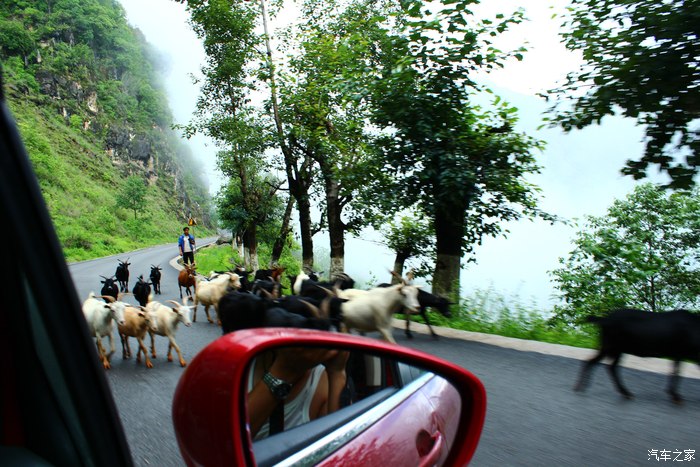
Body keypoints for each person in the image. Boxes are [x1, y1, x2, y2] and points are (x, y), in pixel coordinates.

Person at [247, 347, 349, 440]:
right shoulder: (244, 363)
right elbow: (237, 437)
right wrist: (283, 372)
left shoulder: (322, 381)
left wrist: (337, 372)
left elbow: (340, 443)